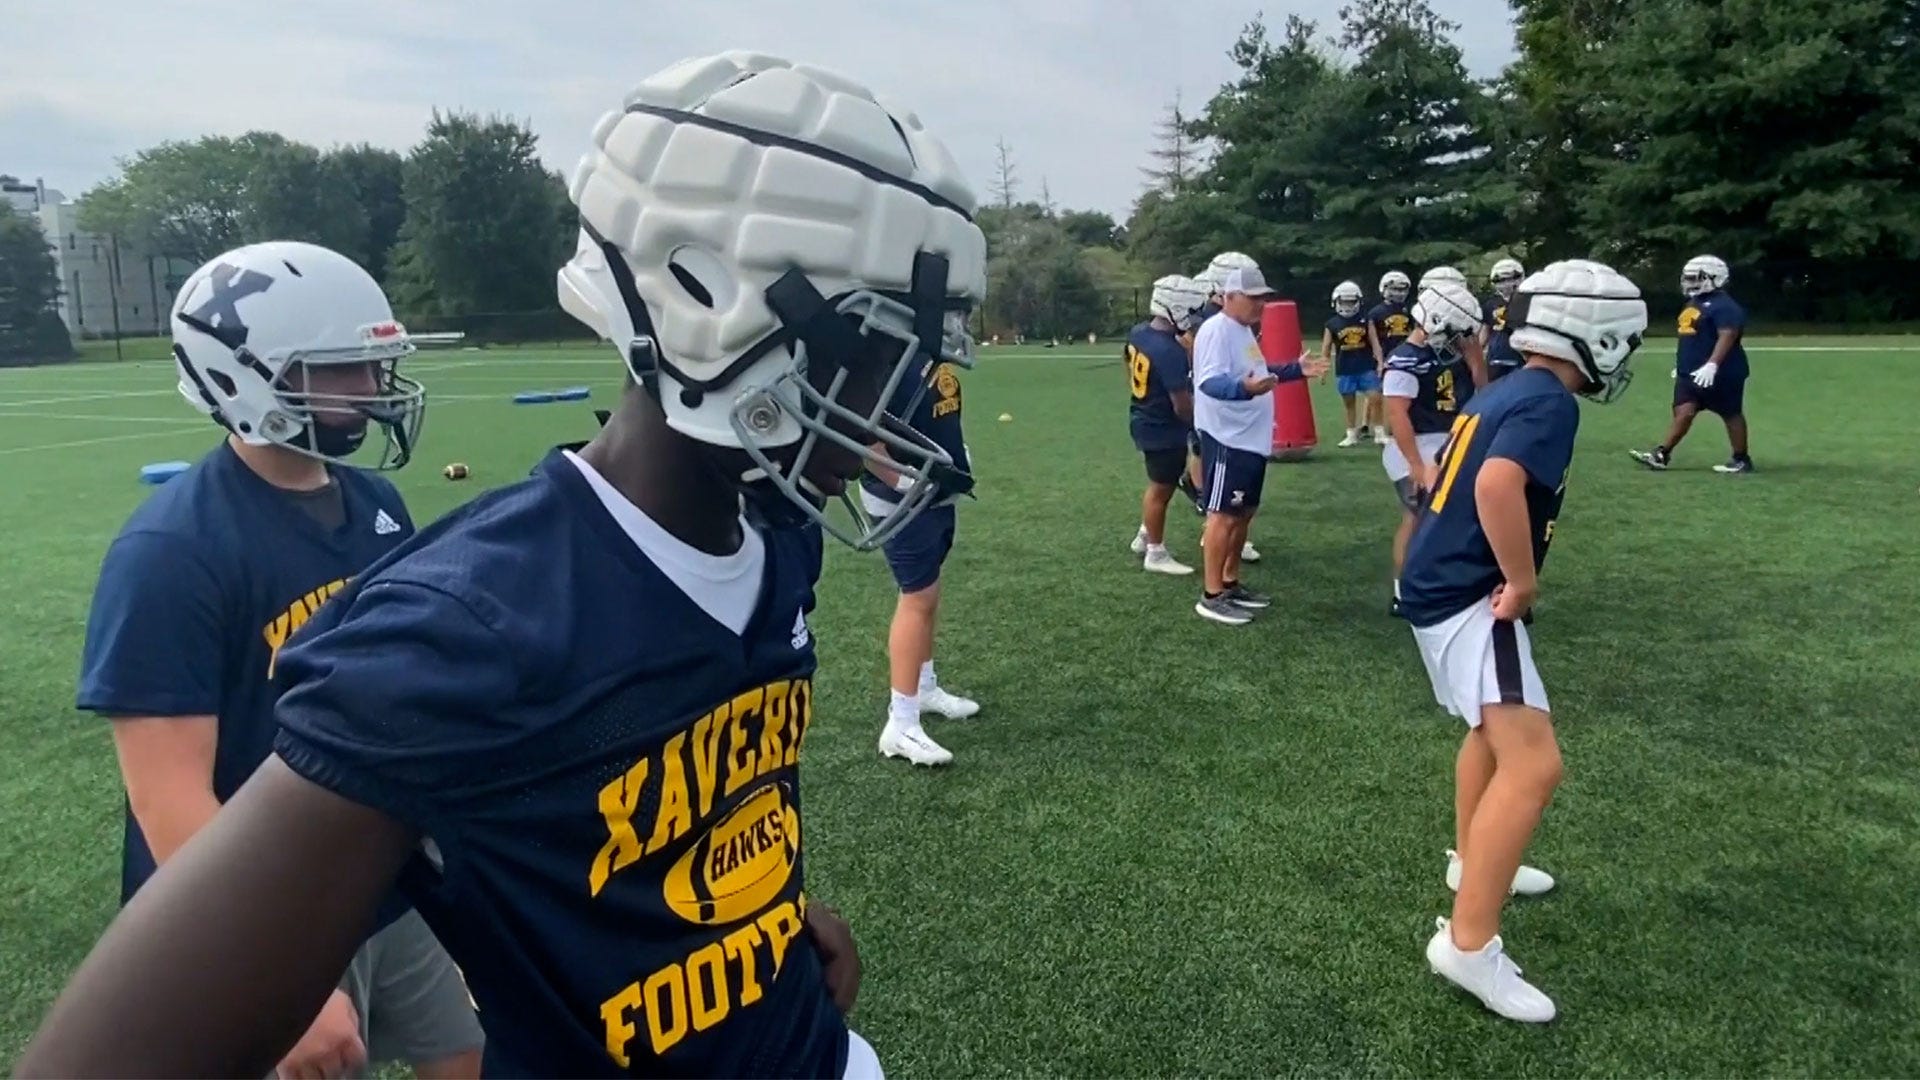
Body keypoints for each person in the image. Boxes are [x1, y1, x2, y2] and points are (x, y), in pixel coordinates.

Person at [19, 51, 985, 1077]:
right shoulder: (467, 626)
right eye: (882, 344)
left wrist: (762, 931)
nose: (906, 395)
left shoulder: (773, 531)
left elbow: (684, 826)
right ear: (716, 308)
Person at [72, 240, 481, 1080]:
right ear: (241, 377)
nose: (372, 392)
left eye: (372, 366)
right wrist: (261, 968)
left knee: (474, 1057)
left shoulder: (373, 501)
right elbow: (168, 795)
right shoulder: (170, 550)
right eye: (340, 370)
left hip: (376, 874)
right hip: (252, 902)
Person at [1401, 258, 1647, 1023]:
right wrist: (1522, 578)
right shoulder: (1548, 403)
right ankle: (1468, 944)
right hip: (1470, 593)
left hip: (1436, 583)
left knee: (1489, 731)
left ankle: (1472, 865)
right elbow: (1494, 484)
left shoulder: (1504, 386)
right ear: (1596, 335)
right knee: (1536, 764)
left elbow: (1447, 467)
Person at [1190, 263, 1326, 625]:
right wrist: (1243, 391)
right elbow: (1209, 382)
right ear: (1229, 297)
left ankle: (1231, 582)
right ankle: (1212, 593)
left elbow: (1258, 374)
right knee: (1221, 516)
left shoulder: (1243, 331)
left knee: (1243, 513)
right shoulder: (1217, 331)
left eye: (1263, 299)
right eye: (1252, 299)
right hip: (1227, 437)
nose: (1259, 306)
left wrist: (1295, 370)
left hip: (1249, 438)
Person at [868, 340, 984, 768]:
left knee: (927, 596)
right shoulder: (883, 355)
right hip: (905, 498)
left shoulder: (924, 349)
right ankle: (900, 722)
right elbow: (862, 430)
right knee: (916, 598)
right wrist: (898, 480)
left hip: (938, 488)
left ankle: (924, 686)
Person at [1382, 278, 1483, 618]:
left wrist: (1475, 359)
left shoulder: (1450, 354)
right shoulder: (1405, 359)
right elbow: (1397, 414)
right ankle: (1403, 590)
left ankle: (1444, 586)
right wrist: (1416, 464)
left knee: (1454, 521)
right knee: (1416, 519)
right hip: (1418, 446)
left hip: (1450, 443)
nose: (1460, 340)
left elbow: (1484, 396)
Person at [1628, 254, 1753, 474]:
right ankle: (1661, 454)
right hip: (1691, 372)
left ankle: (1741, 459)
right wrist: (1684, 364)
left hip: (1722, 372)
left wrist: (1712, 365)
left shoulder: (1725, 306)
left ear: (1716, 277)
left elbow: (1728, 334)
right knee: (1684, 410)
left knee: (1731, 413)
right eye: (1689, 277)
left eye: (1697, 277)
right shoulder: (1694, 302)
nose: (1691, 282)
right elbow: (1692, 338)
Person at [1127, 274, 1209, 575]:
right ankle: (1155, 552)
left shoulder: (1139, 333)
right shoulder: (1168, 350)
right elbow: (1181, 403)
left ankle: (1145, 535)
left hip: (1143, 413)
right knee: (1161, 489)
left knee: (1160, 485)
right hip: (1163, 424)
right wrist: (1198, 422)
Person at [1324, 280, 1385, 447]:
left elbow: (1375, 342)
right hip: (1345, 369)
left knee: (1375, 398)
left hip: (1365, 366)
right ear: (1336, 301)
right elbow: (1326, 347)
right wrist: (1323, 367)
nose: (1348, 305)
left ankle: (1379, 433)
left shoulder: (1366, 320)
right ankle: (1351, 434)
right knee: (1349, 403)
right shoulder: (1332, 324)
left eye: (1351, 301)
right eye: (1344, 301)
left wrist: (1380, 362)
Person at [1482, 258, 1525, 382]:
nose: (1506, 283)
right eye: (1502, 279)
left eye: (1511, 278)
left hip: (1519, 356)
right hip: (1496, 356)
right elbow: (1485, 331)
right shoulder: (1490, 304)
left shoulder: (1526, 302)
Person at [1368, 270, 1415, 373]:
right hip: (1386, 356)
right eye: (1395, 289)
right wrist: (1380, 362)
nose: (1399, 293)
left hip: (1405, 356)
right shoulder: (1376, 312)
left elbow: (1413, 334)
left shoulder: (1409, 310)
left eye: (1402, 289)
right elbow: (1374, 341)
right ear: (1384, 288)